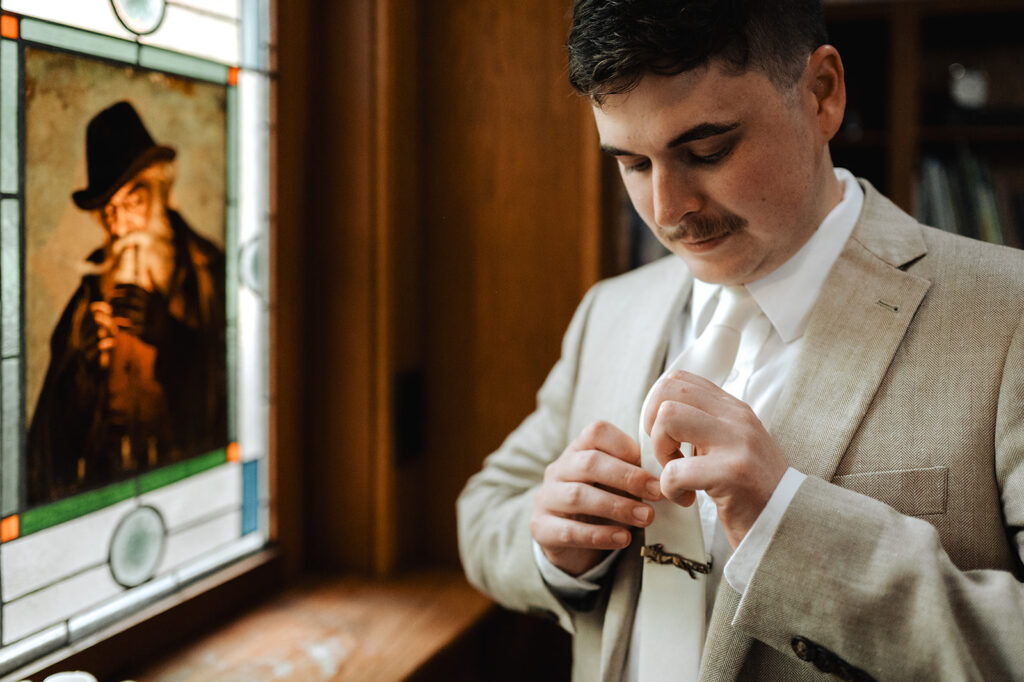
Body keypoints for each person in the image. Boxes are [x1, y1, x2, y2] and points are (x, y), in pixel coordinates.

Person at [457, 1, 1024, 680]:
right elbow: (485, 512)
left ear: (822, 94)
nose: (668, 211)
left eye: (707, 150)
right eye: (633, 164)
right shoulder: (609, 312)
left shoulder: (1009, 315)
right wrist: (552, 545)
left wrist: (797, 529)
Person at [28, 100, 227, 505]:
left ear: (162, 192)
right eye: (108, 212)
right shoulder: (91, 291)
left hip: (189, 488)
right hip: (109, 487)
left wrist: (168, 338)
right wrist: (82, 366)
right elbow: (50, 446)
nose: (119, 227)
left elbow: (228, 392)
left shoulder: (209, 272)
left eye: (133, 203)